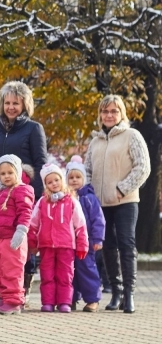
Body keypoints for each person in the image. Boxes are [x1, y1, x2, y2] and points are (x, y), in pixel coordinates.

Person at [84, 94, 150, 314]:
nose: (109, 115)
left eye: (114, 111)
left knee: (126, 244)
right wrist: (88, 193)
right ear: (100, 115)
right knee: (108, 247)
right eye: (105, 111)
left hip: (125, 200)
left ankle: (129, 293)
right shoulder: (95, 141)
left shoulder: (132, 136)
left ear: (121, 114)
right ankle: (116, 291)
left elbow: (143, 167)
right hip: (101, 204)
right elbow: (87, 171)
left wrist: (123, 188)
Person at [0, 81, 47, 302]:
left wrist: (36, 194)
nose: (11, 107)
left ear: (24, 104)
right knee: (0, 246)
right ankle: (3, 291)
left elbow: (40, 163)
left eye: (15, 103)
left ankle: (21, 290)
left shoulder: (33, 129)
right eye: (7, 102)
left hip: (22, 194)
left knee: (20, 243)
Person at [28, 164, 88, 313]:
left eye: (56, 180)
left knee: (65, 275)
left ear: (62, 180)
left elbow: (80, 224)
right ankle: (48, 302)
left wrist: (82, 244)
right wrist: (32, 242)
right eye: (50, 182)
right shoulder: (42, 202)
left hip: (66, 245)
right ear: (46, 185)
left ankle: (64, 302)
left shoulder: (71, 201)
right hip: (46, 245)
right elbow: (33, 223)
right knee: (47, 275)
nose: (54, 183)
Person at [0, 154, 35, 314]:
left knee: (12, 270)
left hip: (13, 238)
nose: (6, 176)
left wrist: (21, 231)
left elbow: (25, 212)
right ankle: (4, 297)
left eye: (10, 173)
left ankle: (14, 302)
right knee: (0, 270)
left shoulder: (22, 190)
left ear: (18, 173)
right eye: (3, 173)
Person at [66, 156, 106, 312]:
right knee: (70, 271)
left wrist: (97, 239)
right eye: (71, 177)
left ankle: (92, 299)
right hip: (68, 242)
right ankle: (71, 298)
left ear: (84, 179)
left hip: (86, 242)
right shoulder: (65, 198)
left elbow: (98, 220)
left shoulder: (89, 198)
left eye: (78, 177)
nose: (74, 180)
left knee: (87, 269)